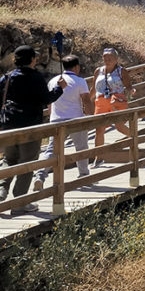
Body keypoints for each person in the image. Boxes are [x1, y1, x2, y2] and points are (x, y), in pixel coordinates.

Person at [0, 46, 67, 212]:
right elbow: (46, 99)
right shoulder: (36, 77)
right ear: (32, 59)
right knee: (28, 161)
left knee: (9, 159)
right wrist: (59, 88)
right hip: (30, 125)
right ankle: (20, 201)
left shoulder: (7, 78)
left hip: (9, 125)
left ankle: (1, 192)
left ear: (15, 59)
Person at [33, 55, 93, 191]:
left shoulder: (53, 81)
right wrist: (90, 116)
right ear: (77, 67)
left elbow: (50, 102)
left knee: (51, 150)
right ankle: (84, 175)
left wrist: (51, 116)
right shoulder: (80, 81)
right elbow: (86, 100)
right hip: (75, 119)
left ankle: (40, 175)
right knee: (81, 147)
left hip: (56, 120)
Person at [93, 48, 135, 149]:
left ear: (116, 59)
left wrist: (132, 91)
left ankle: (135, 139)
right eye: (105, 58)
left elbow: (128, 85)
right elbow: (93, 88)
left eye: (110, 58)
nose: (107, 60)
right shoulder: (98, 71)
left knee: (119, 126)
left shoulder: (121, 71)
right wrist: (86, 100)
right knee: (99, 130)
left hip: (116, 101)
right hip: (101, 102)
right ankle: (98, 157)